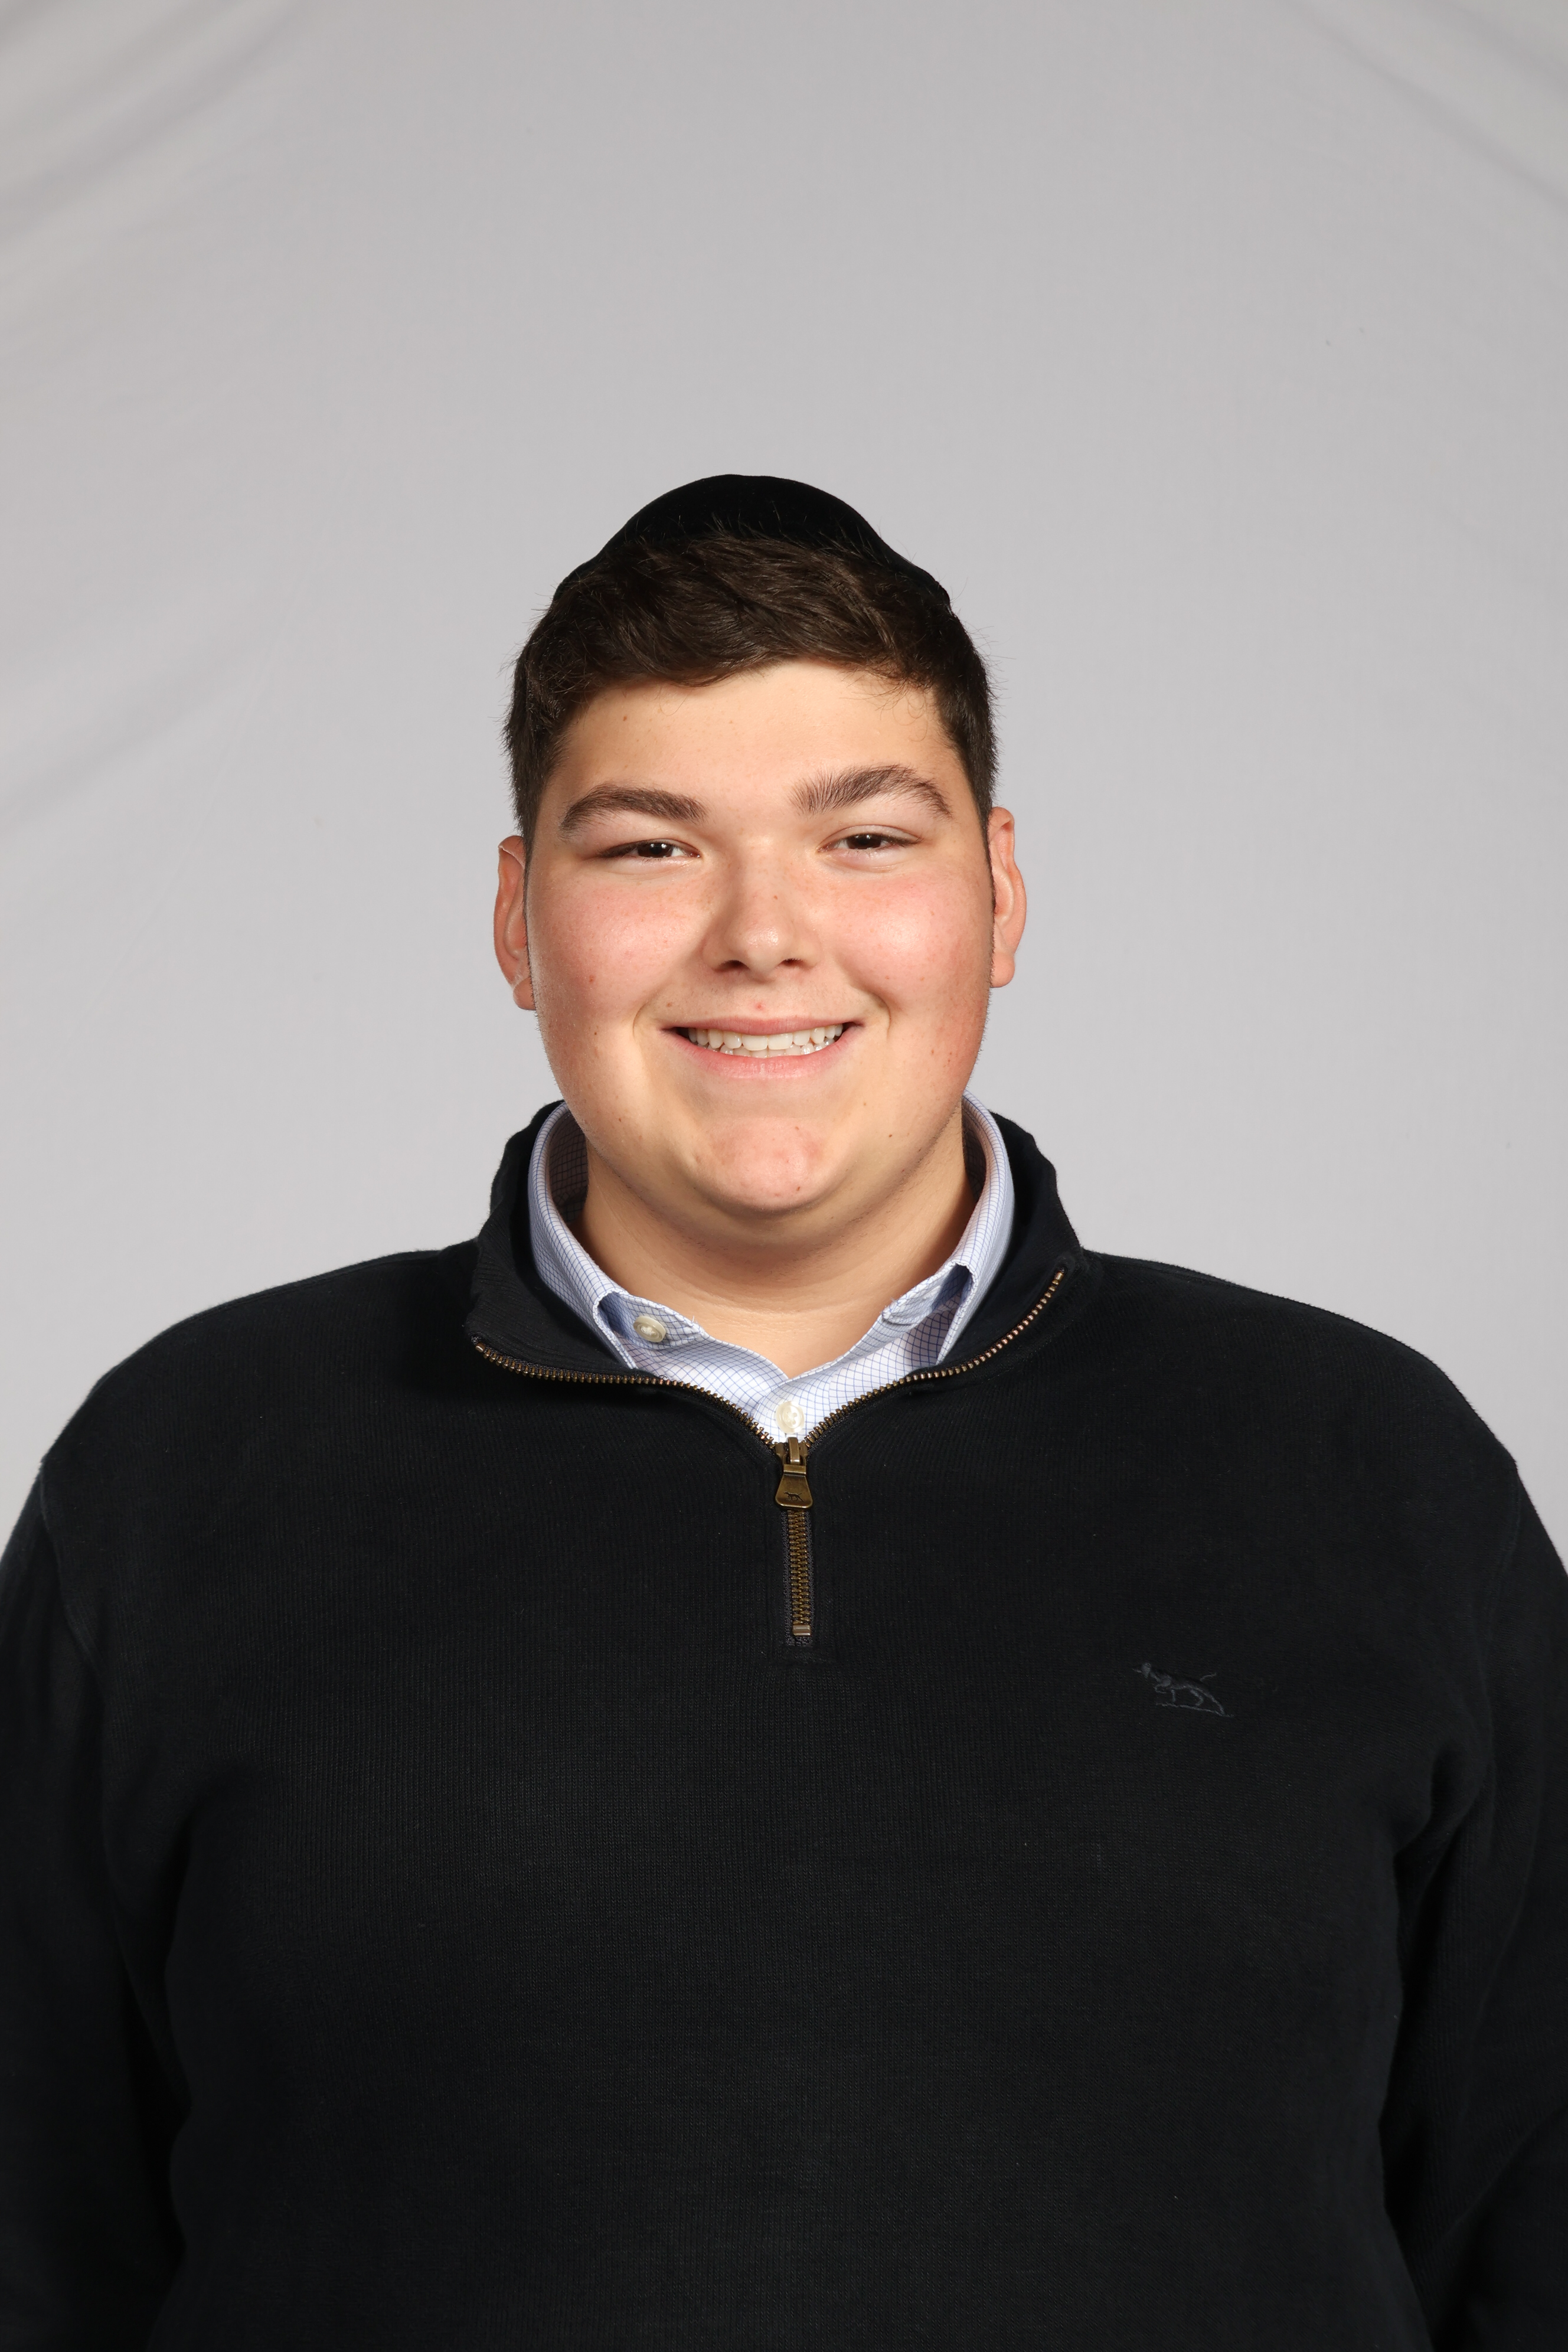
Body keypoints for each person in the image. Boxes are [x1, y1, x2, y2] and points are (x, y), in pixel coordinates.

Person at [1, 476, 1563, 2351]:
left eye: (864, 839)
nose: (763, 935)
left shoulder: (1372, 1475)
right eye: (650, 847)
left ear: (999, 893)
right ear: (519, 919)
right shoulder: (185, 1475)